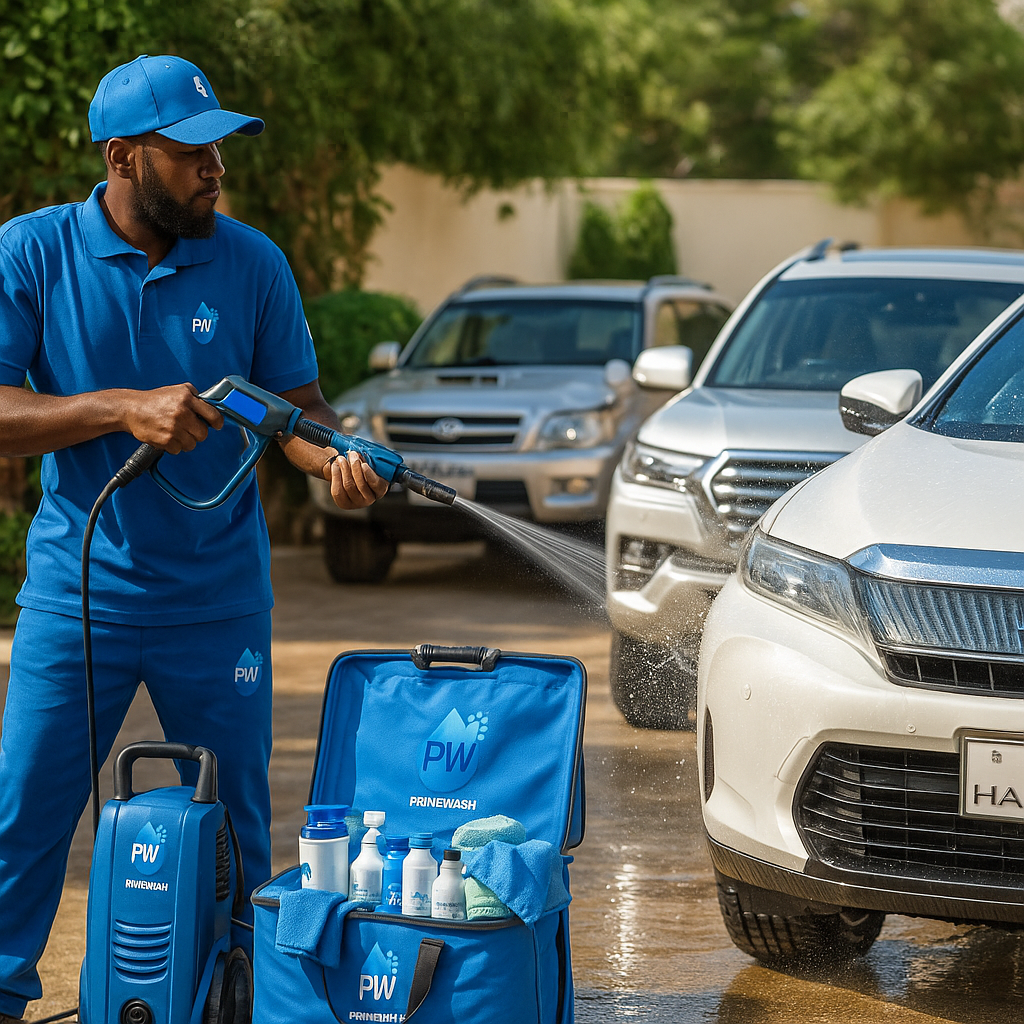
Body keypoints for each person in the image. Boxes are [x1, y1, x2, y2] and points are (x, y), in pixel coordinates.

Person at [0, 55, 388, 1022]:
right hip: (76, 595)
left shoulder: (252, 261)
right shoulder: (33, 254)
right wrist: (121, 408)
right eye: (191, 152)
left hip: (218, 605)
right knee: (24, 819)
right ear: (124, 157)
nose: (216, 169)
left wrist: (339, 461)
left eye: (220, 148)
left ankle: (242, 1000)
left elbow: (296, 412)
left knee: (241, 835)